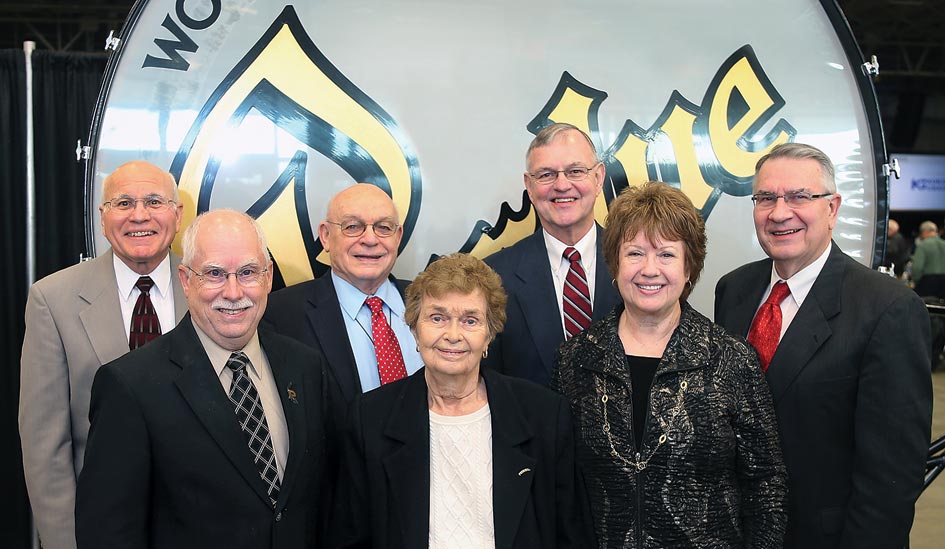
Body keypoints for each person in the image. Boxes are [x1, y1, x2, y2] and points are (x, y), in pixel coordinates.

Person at [76, 210, 342, 549]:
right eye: (215, 274)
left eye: (248, 272)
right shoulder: (130, 386)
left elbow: (324, 502)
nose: (233, 292)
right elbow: (108, 535)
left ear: (268, 277)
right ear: (186, 280)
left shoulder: (305, 367)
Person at [715, 143, 932, 548]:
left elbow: (891, 480)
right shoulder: (734, 291)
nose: (780, 212)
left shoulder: (888, 309)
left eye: (799, 196)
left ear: (832, 208)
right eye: (766, 198)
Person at [555, 181, 788, 547]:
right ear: (614, 263)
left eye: (666, 254)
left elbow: (767, 487)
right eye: (634, 253)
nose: (650, 269)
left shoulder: (729, 358)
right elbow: (561, 488)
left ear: (689, 267)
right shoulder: (577, 359)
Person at [332, 253, 592, 548]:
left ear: (489, 334)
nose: (453, 335)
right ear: (415, 328)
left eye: (470, 320)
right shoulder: (370, 419)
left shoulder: (543, 415)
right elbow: (350, 539)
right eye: (437, 318)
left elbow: (572, 536)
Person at [19, 160, 187, 549]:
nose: (139, 215)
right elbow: (45, 445)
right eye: (123, 203)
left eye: (154, 202)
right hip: (101, 527)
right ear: (103, 215)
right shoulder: (52, 299)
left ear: (178, 215)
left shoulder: (211, 289)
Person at [484, 123, 620, 385]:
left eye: (575, 171)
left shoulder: (637, 266)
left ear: (599, 177)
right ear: (529, 186)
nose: (562, 185)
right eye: (546, 175)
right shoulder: (494, 278)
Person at [264, 183, 421, 401]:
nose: (370, 239)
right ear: (326, 236)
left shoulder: (428, 300)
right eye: (353, 227)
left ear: (398, 236)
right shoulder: (281, 315)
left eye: (384, 227)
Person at [911, 220, 945, 297]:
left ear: (924, 232)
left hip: (928, 282)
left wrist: (916, 281)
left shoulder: (923, 245)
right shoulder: (944, 244)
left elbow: (917, 267)